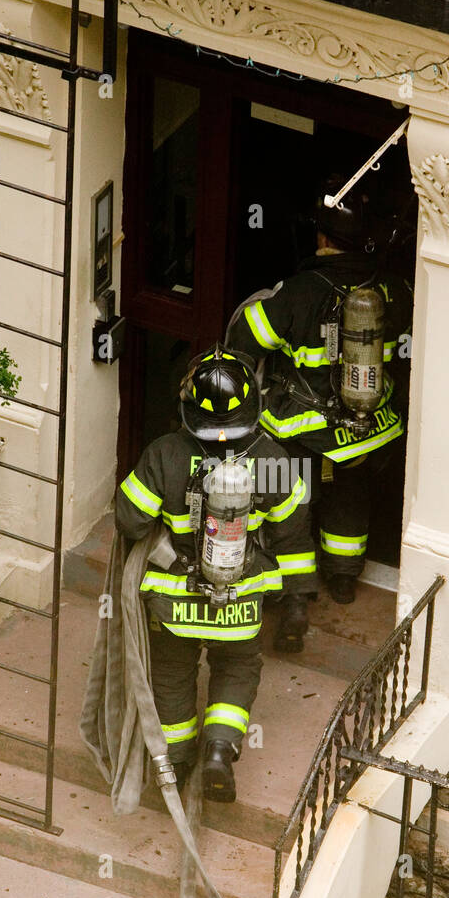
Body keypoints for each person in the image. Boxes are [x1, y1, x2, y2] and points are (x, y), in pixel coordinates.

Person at [116, 344, 315, 803]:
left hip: (173, 601)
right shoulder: (273, 460)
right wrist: (296, 598)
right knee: (237, 667)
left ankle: (175, 762)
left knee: (171, 672)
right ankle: (220, 752)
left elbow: (129, 520)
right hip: (241, 601)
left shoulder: (164, 453)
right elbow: (293, 532)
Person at [227, 176, 413, 645]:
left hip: (296, 430)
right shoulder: (392, 289)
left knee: (289, 505)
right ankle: (344, 580)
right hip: (367, 429)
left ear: (324, 238)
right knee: (350, 498)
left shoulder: (302, 290)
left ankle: (293, 597)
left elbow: (245, 340)